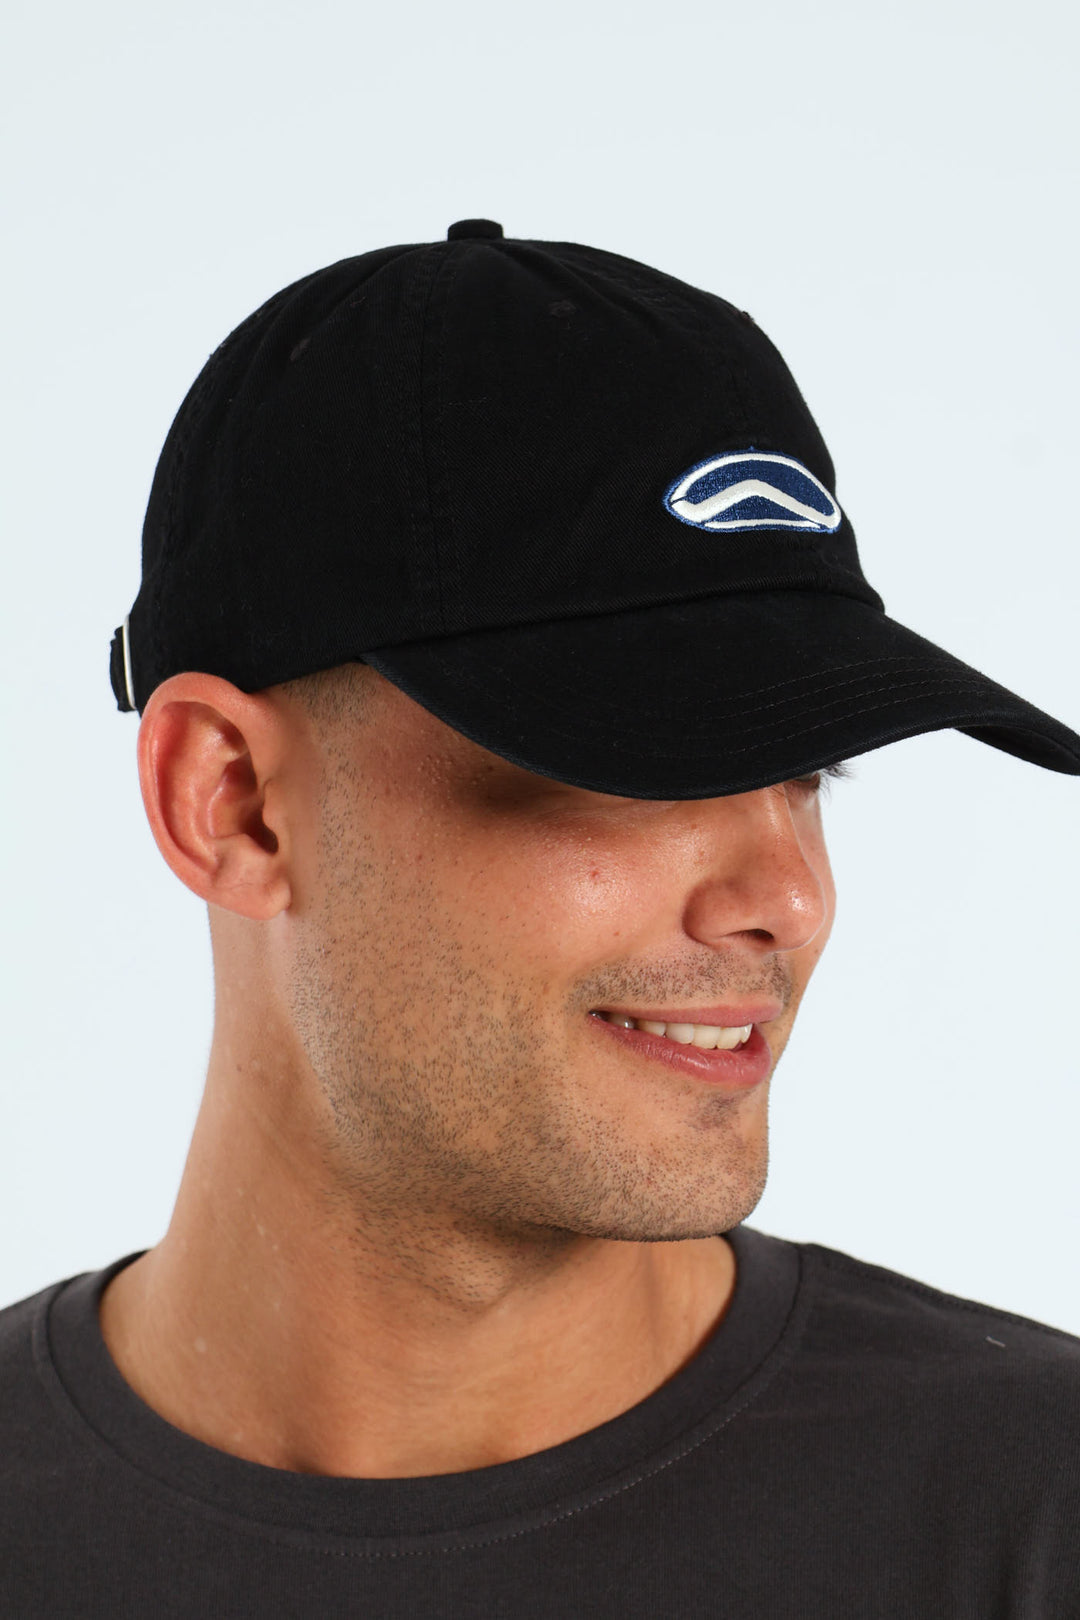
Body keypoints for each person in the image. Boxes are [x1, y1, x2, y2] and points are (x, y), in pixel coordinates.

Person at [3, 220, 1078, 1618]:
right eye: (653, 760)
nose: (791, 900)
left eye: (812, 771)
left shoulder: (1033, 1520)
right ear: (233, 805)